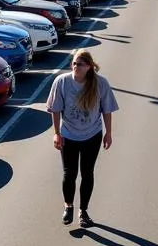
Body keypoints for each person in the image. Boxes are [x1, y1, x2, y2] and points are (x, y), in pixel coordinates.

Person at [47, 49, 118, 228]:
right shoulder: (61, 82)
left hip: (92, 135)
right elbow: (55, 109)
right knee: (69, 173)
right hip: (68, 135)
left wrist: (108, 133)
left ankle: (83, 212)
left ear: (90, 67)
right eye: (75, 63)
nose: (76, 67)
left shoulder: (100, 84)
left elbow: (107, 110)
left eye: (81, 64)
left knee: (87, 173)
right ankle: (68, 206)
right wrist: (56, 133)